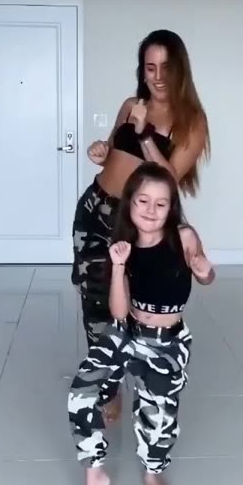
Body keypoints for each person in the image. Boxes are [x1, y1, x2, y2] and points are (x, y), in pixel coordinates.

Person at [71, 29, 211, 422]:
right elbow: (114, 154)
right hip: (96, 207)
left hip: (139, 221)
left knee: (134, 300)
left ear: (180, 69)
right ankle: (108, 386)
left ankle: (149, 378)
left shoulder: (191, 122)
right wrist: (101, 151)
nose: (158, 76)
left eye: (166, 67)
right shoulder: (132, 104)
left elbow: (169, 179)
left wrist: (145, 132)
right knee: (94, 302)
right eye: (150, 67)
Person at [68, 162, 215, 485]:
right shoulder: (124, 246)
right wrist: (118, 266)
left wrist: (204, 271)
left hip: (167, 343)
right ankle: (94, 473)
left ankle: (152, 472)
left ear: (171, 208)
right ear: (130, 204)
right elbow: (118, 311)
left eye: (160, 204)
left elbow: (206, 274)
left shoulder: (183, 236)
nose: (151, 210)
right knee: (82, 392)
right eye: (143, 201)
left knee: (158, 416)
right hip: (127, 332)